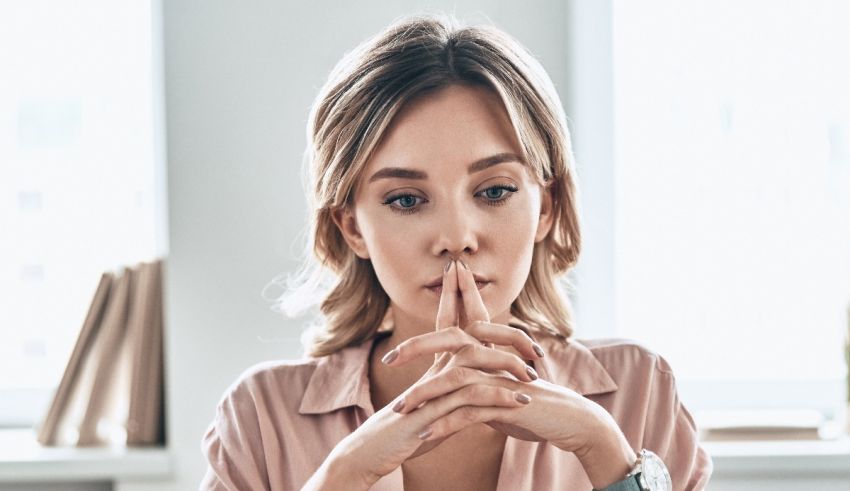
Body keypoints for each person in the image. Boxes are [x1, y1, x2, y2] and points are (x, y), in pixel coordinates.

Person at [200, 13, 712, 491]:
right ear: (352, 227)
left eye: (494, 191)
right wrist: (343, 474)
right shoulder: (259, 417)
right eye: (406, 200)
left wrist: (602, 448)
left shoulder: (640, 391)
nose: (456, 236)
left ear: (548, 207)